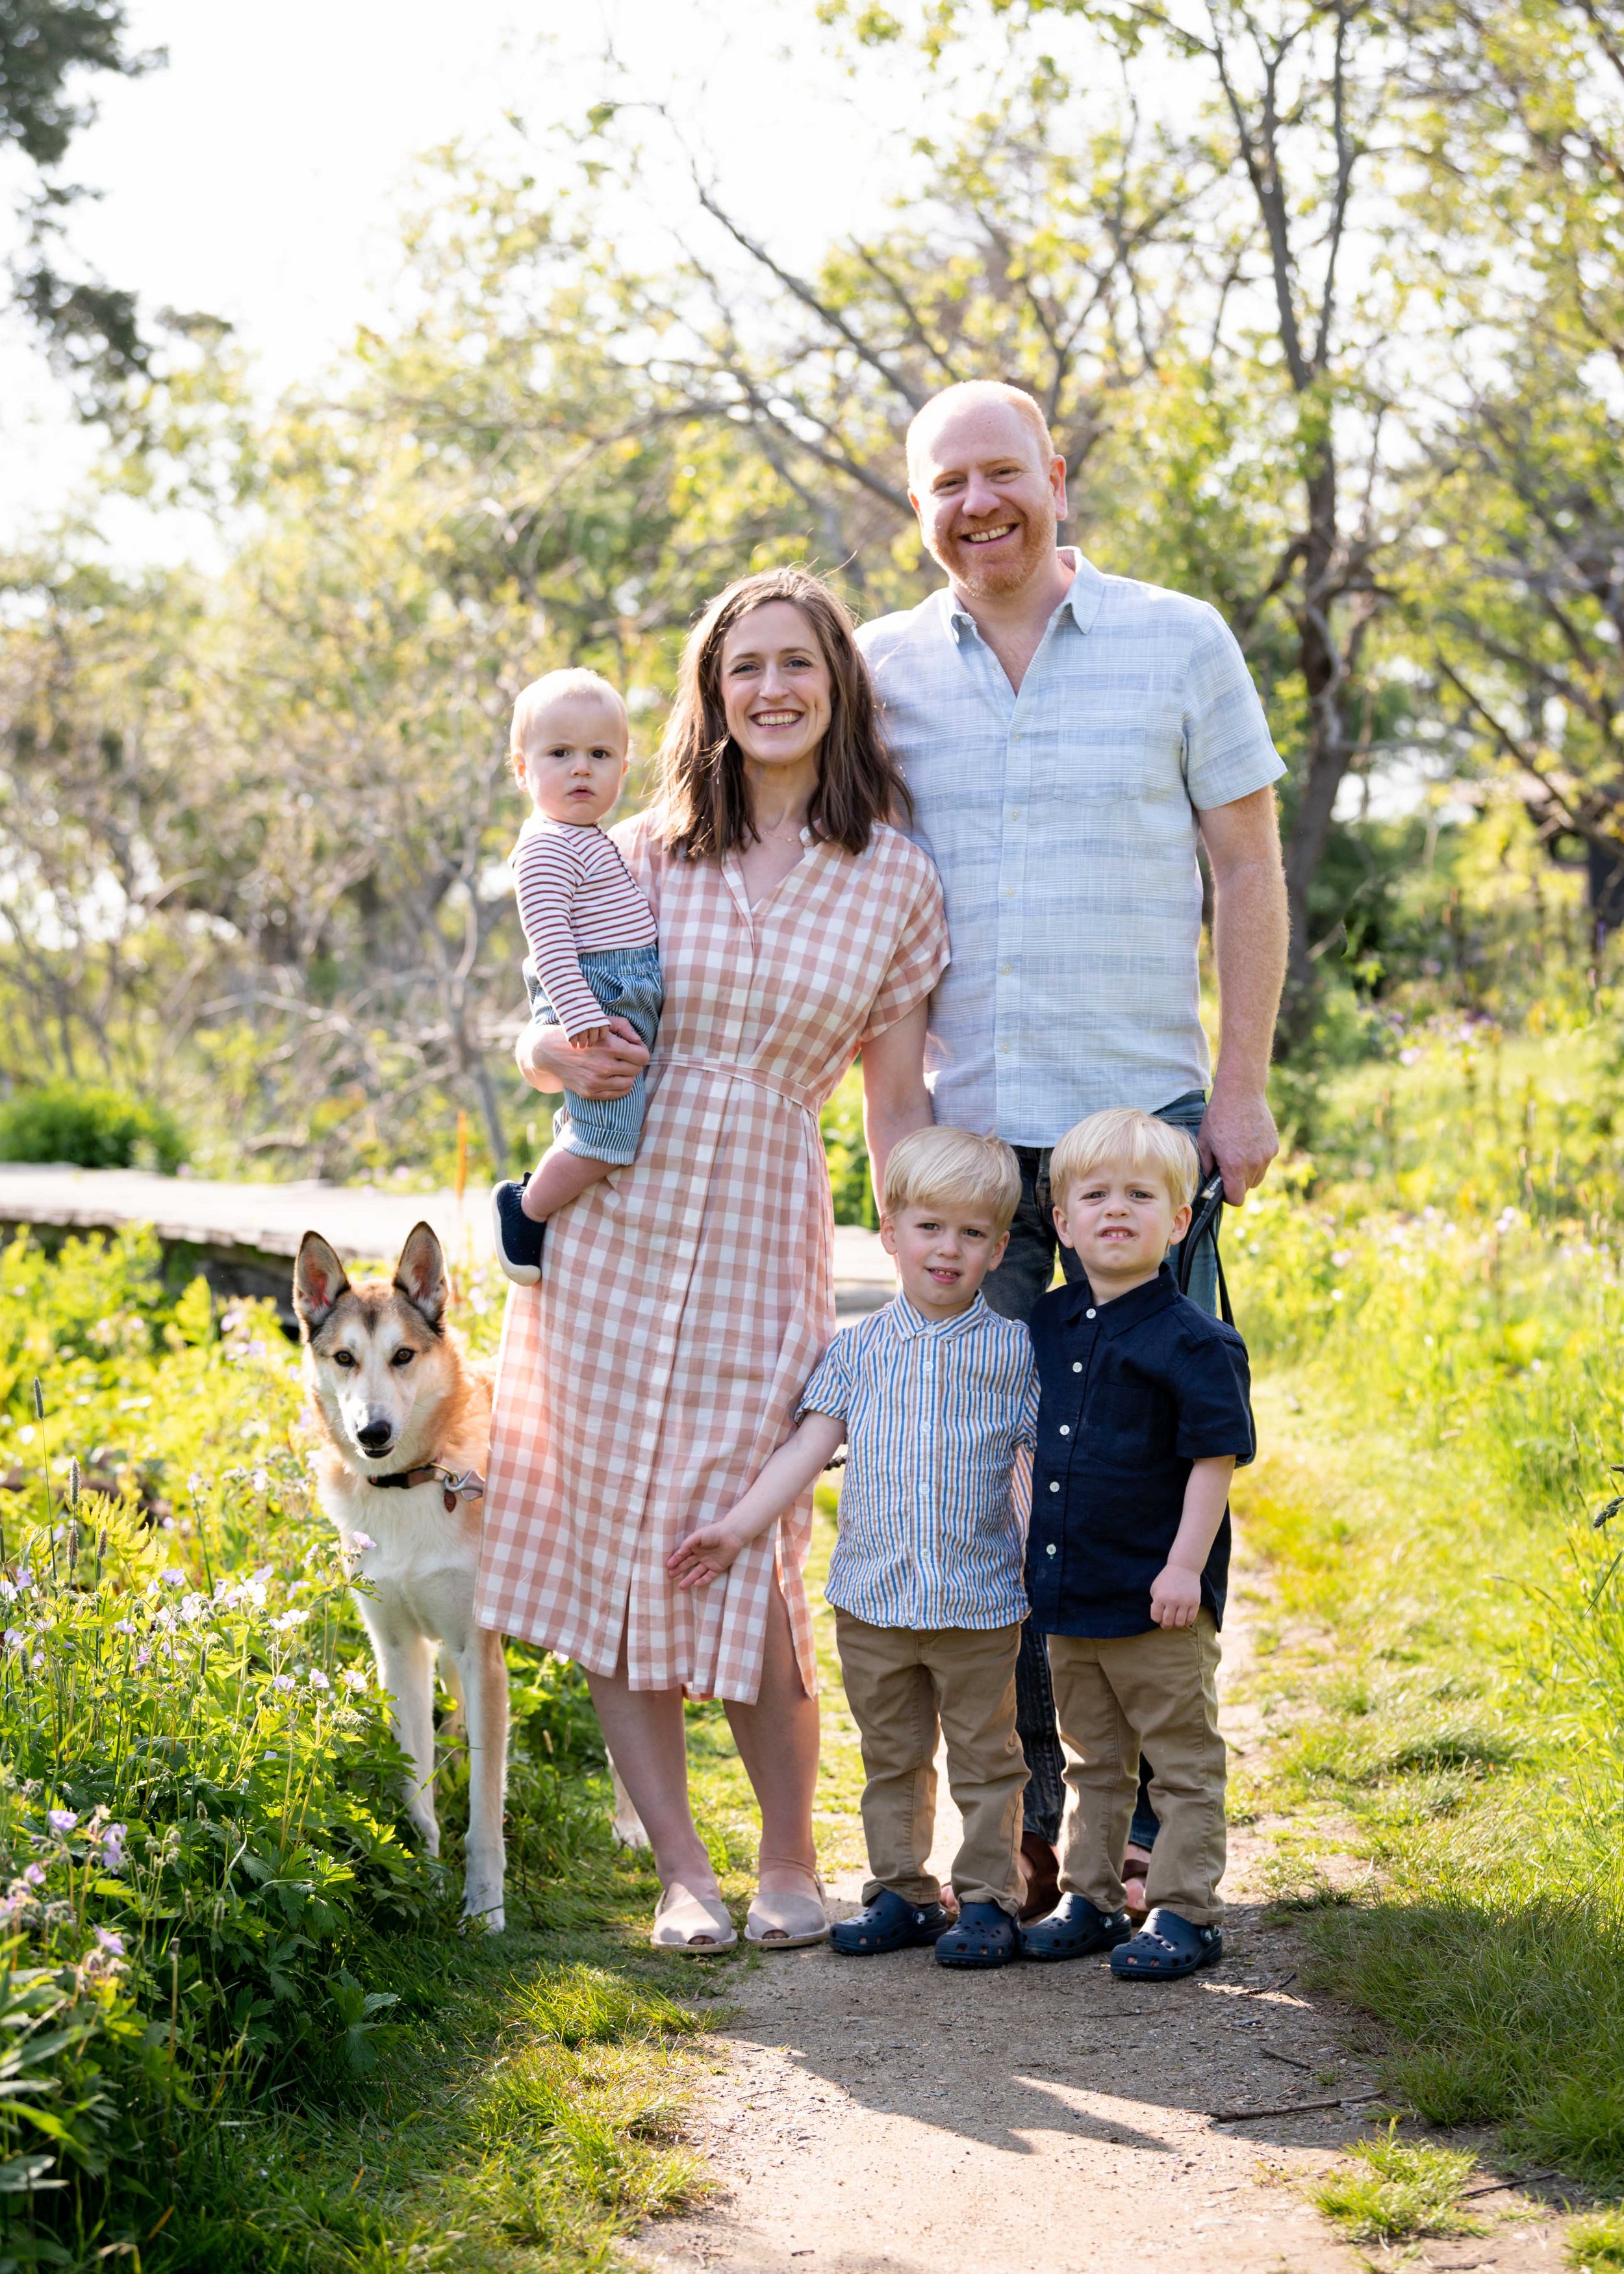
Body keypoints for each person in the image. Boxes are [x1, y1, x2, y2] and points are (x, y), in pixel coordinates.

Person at [856, 377, 1289, 1917]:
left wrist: (1238, 1092)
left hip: (1144, 1141)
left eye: (1000, 473)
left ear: (1053, 475)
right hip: (969, 1156)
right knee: (998, 1481)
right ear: (918, 510)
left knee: (1156, 1461)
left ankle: (1169, 1819)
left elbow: (1245, 866)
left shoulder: (1181, 642)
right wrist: (891, 1134)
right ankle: (1037, 1821)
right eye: (943, 485)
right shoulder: (878, 673)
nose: (978, 505)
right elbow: (852, 902)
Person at [476, 567, 946, 1953]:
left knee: (745, 1543)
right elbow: (548, 1017)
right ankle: (681, 1869)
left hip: (759, 1216)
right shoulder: (637, 850)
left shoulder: (897, 879)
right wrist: (548, 1053)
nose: (771, 689)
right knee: (615, 1540)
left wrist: (926, 1259)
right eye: (743, 668)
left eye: (795, 662)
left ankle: (791, 1858)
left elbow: (897, 1104)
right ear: (710, 692)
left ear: (836, 682)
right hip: (613, 1230)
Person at [670, 1127, 1036, 1972]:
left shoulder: (1016, 1355)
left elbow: (1039, 1468)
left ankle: (986, 1900)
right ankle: (902, 1892)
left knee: (988, 1759)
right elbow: (805, 1449)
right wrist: (738, 1528)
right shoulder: (859, 1350)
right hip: (874, 1601)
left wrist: (1046, 1558)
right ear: (891, 1232)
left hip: (978, 1602)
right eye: (930, 1228)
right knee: (892, 1756)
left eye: (972, 1234)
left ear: (998, 1248)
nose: (948, 1249)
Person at [1018, 1109, 1255, 1978]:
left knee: (1181, 1758)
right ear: (1065, 1222)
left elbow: (1214, 1461)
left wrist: (1185, 1566)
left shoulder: (1197, 1341)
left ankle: (1186, 1909)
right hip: (1071, 1594)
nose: (1116, 1211)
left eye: (1141, 1196)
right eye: (1095, 1195)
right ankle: (1092, 1896)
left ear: (1180, 1220)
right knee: (1094, 1760)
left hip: (1159, 1597)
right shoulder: (1046, 1324)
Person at [488, 669, 663, 1286]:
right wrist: (579, 1016)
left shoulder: (586, 838)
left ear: (622, 767)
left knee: (605, 1123)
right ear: (522, 769)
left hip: (618, 988)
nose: (581, 769)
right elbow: (551, 945)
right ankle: (525, 1207)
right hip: (595, 993)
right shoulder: (543, 848)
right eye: (560, 754)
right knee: (607, 1137)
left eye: (599, 754)